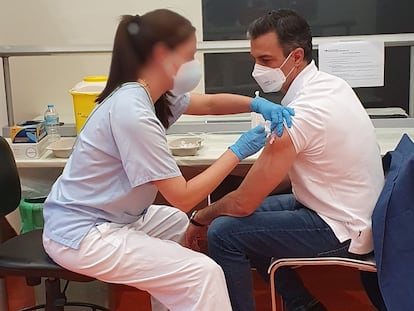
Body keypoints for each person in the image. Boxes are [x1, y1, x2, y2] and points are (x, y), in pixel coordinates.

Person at [42, 9, 294, 311]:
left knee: (185, 228)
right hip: (83, 233)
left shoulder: (152, 94)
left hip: (117, 216)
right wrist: (238, 150)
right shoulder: (133, 112)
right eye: (188, 57)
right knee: (202, 272)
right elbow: (184, 197)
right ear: (162, 55)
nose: (193, 66)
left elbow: (210, 103)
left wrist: (255, 103)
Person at [186, 9, 385, 311]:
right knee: (239, 219)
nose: (257, 69)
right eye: (254, 59)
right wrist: (241, 196)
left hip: (342, 225)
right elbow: (280, 178)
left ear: (296, 56)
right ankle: (304, 306)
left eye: (266, 60)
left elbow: (243, 203)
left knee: (223, 233)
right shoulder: (331, 85)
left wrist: (200, 216)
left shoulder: (303, 112)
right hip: (343, 207)